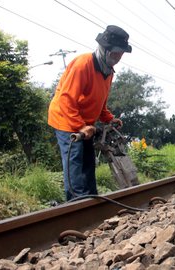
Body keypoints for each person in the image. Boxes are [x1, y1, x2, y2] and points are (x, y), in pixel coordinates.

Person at [48, 25, 132, 200]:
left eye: (121, 54)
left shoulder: (108, 72)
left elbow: (100, 101)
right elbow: (66, 100)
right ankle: (76, 204)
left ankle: (91, 200)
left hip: (84, 123)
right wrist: (80, 126)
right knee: (75, 161)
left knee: (88, 162)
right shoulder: (83, 64)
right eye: (115, 53)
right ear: (105, 49)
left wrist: (108, 118)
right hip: (65, 118)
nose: (118, 58)